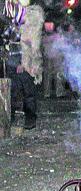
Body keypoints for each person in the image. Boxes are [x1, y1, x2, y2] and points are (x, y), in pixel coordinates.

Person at [4, 0, 44, 129]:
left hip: (24, 64)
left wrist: (22, 63)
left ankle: (30, 120)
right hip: (12, 63)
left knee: (29, 94)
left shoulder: (30, 21)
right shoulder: (12, 24)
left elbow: (31, 46)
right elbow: (6, 40)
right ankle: (10, 119)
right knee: (11, 92)